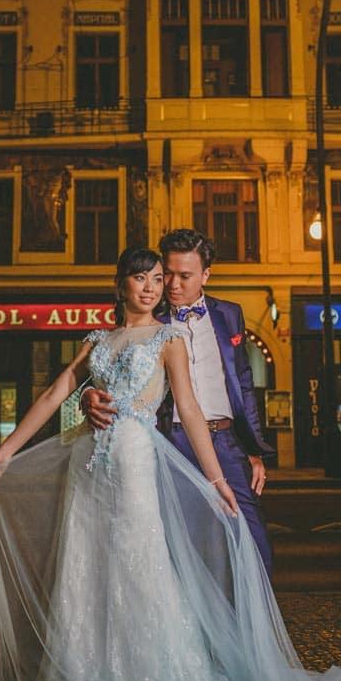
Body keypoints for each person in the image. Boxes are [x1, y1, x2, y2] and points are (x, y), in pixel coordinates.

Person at [0, 247, 341, 681]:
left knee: (141, 564)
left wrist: (217, 482)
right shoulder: (96, 340)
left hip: (134, 461)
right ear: (119, 284)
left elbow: (189, 409)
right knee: (84, 567)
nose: (150, 287)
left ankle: (153, 678)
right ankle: (83, 679)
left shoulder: (169, 338)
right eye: (139, 278)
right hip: (89, 468)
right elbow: (54, 393)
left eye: (155, 279)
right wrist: (6, 451)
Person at [82, 229, 273, 575]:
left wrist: (253, 449)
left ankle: (249, 626)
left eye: (184, 276)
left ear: (205, 275)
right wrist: (86, 394)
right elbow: (108, 361)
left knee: (252, 540)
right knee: (181, 546)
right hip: (172, 442)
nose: (170, 284)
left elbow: (243, 383)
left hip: (227, 442)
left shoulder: (229, 314)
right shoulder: (150, 314)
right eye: (166, 273)